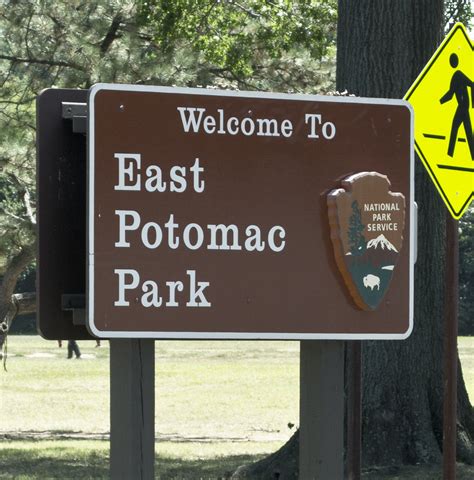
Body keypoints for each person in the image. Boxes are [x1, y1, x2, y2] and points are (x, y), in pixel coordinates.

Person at [439, 53, 473, 160]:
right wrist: (440, 101)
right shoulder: (454, 77)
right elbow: (450, 95)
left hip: (463, 107)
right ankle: (451, 154)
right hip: (462, 107)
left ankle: (449, 154)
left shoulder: (458, 74)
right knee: (466, 132)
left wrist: (473, 104)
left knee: (456, 129)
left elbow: (472, 84)